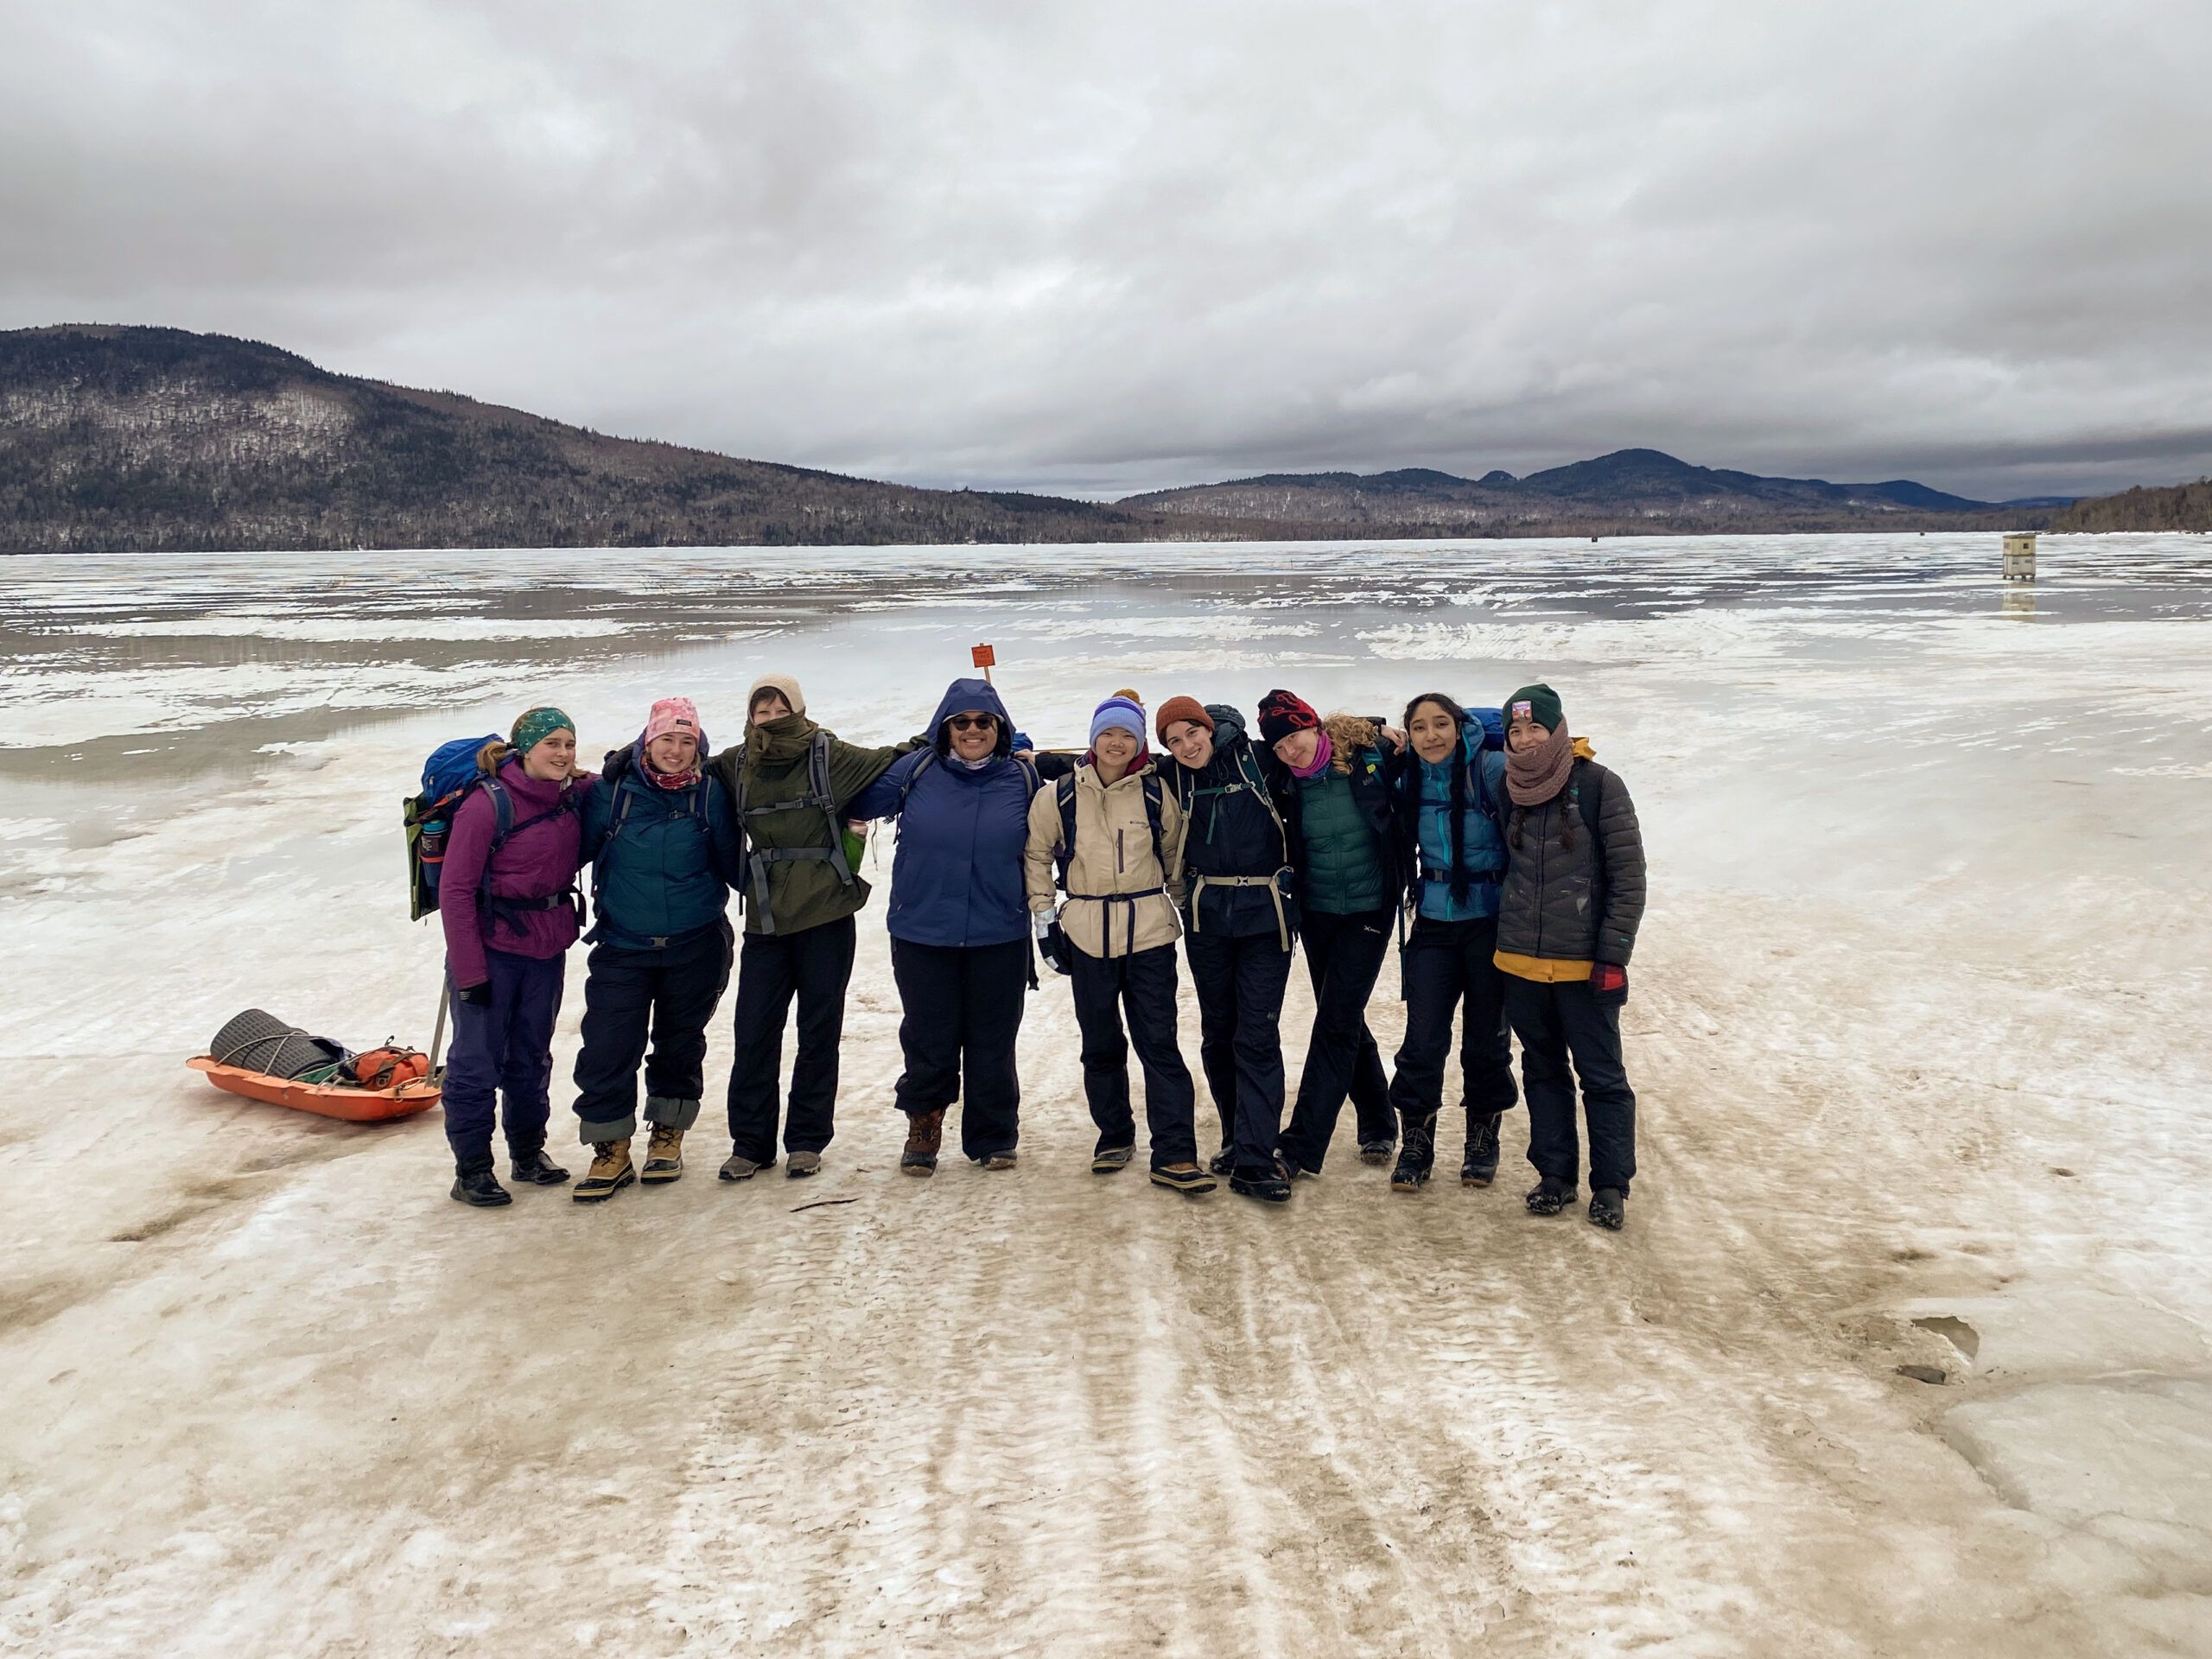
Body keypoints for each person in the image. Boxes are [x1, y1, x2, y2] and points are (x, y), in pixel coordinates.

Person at [707, 674, 922, 1181]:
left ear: (798, 709)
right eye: (762, 710)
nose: (772, 717)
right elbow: (677, 760)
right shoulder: (737, 763)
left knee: (818, 1031)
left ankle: (806, 1140)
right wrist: (626, 755)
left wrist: (983, 741)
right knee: (754, 1031)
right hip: (766, 916)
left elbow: (894, 757)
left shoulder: (830, 755)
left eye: (781, 708)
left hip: (825, 914)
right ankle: (750, 1143)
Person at [847, 677, 1040, 1176]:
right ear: (945, 727)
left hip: (999, 929)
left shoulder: (1021, 780)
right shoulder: (917, 770)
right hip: (922, 930)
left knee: (993, 1038)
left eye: (984, 722)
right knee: (929, 1036)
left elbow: (1056, 839)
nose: (972, 730)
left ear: (1000, 728)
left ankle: (993, 1134)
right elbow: (856, 801)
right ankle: (924, 1125)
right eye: (962, 722)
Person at [1024, 690, 1213, 1193]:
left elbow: (1174, 856)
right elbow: (1037, 855)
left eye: (1126, 734)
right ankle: (1114, 1135)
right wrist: (1045, 923)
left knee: (1159, 1043)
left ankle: (1174, 1152)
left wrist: (1188, 915)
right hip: (1086, 933)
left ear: (1139, 742)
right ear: (1092, 739)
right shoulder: (1059, 794)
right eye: (1107, 733)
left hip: (1149, 931)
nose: (1116, 742)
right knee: (1101, 1043)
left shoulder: (1155, 795)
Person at [568, 696, 741, 1202]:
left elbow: (736, 866)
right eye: (667, 738)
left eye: (687, 741)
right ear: (649, 740)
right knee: (607, 1047)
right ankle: (610, 1149)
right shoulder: (611, 793)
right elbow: (566, 850)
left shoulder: (710, 795)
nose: (677, 750)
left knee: (679, 1043)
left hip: (696, 943)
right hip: (623, 945)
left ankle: (667, 1135)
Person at [1492, 683, 1647, 1230]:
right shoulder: (1508, 787)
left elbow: (1629, 879)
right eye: (1516, 730)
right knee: (1543, 1071)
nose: (1526, 739)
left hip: (1586, 966)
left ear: (1558, 730)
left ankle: (1610, 1185)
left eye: (1536, 728)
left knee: (1601, 1077)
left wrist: (1613, 955)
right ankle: (1555, 1176)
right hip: (1520, 962)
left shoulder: (1601, 786)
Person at [436, 707, 589, 1208]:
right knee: (476, 1064)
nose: (563, 754)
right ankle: (473, 1170)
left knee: (530, 1056)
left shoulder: (569, 797)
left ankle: (527, 1154)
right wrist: (469, 972)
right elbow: (456, 892)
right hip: (489, 952)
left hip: (544, 949)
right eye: (552, 744)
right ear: (526, 749)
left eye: (569, 743)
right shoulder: (486, 805)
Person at [1157, 695, 1296, 1204]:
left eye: (1192, 733)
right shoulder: (1170, 776)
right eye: (1173, 741)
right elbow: (1107, 764)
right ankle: (1238, 1138)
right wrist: (1028, 757)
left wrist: (1378, 733)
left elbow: (1311, 743)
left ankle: (1258, 1160)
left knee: (1256, 1033)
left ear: (1210, 728)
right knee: (1218, 1032)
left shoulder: (1259, 758)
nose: (1187, 746)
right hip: (1206, 916)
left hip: (1266, 916)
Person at [1263, 690, 1407, 1178]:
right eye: (1278, 746)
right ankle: (1379, 1122)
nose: (1289, 751)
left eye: (1294, 738)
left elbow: (1437, 735)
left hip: (1369, 909)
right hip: (1320, 912)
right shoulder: (1283, 779)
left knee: (1336, 1021)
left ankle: (1299, 1149)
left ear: (1315, 727)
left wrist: (1379, 727)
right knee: (1340, 1015)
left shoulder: (1372, 756)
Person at [1385, 692, 1519, 1192]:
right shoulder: (1407, 777)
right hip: (1434, 925)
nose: (1431, 736)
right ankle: (1416, 1141)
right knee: (1422, 1040)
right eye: (1419, 728)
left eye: (1441, 724)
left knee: (1487, 1038)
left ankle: (1482, 1137)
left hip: (1489, 922)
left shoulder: (1490, 769)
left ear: (1458, 726)